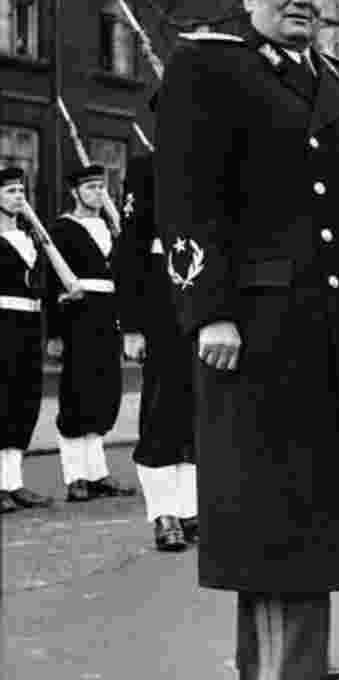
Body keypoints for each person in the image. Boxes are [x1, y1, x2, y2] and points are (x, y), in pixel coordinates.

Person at [153, 0, 339, 679]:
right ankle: (282, 671)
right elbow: (186, 199)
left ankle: (293, 665)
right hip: (257, 331)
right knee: (275, 520)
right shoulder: (208, 67)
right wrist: (210, 311)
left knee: (319, 514)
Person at [115, 152, 197, 551]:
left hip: (204, 300)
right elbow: (129, 248)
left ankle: (190, 508)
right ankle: (164, 512)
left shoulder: (214, 156)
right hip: (160, 301)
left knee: (198, 410)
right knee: (162, 410)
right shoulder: (147, 167)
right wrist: (132, 324)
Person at [45, 164, 135, 503]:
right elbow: (51, 282)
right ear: (75, 192)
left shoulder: (112, 228)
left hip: (108, 316)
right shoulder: (62, 229)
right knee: (76, 393)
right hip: (77, 316)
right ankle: (75, 477)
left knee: (104, 392)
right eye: (90, 187)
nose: (98, 193)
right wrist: (55, 332)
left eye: (101, 187)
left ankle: (97, 474)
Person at [0, 166, 54, 513]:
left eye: (21, 191)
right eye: (10, 191)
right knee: (2, 398)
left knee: (24, 399)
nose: (18, 196)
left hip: (30, 323)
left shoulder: (32, 236)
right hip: (2, 321)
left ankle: (13, 483)